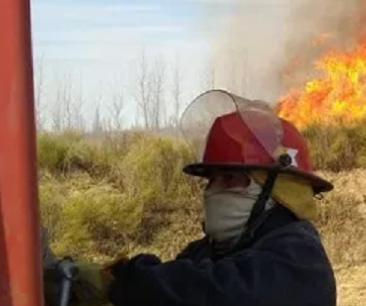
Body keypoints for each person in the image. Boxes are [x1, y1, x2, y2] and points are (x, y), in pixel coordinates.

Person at [43, 90, 337, 306]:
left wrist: (122, 283)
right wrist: (100, 281)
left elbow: (215, 294)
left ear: (277, 188)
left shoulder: (299, 259)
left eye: (229, 179)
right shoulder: (214, 249)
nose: (211, 191)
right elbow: (174, 281)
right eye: (210, 180)